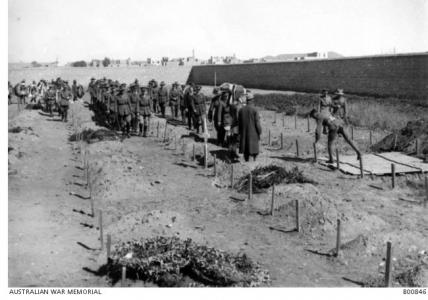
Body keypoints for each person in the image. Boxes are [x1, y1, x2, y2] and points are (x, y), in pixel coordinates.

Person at [238, 93, 262, 162]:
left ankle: (247, 161)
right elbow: (257, 123)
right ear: (252, 100)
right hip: (253, 134)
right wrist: (259, 131)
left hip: (244, 134)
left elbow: (239, 123)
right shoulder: (255, 110)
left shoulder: (241, 110)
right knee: (253, 152)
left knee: (246, 152)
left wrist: (240, 132)